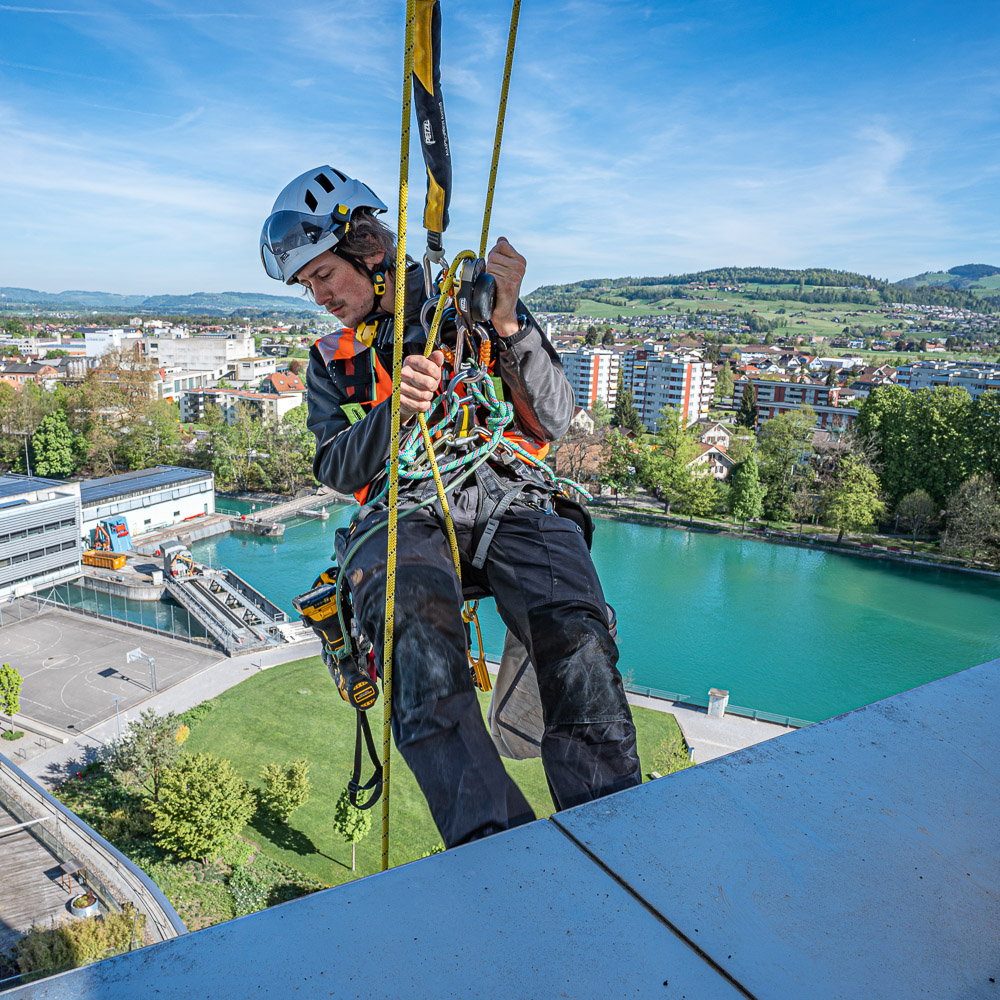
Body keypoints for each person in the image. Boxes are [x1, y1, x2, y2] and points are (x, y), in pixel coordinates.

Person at [260, 165, 641, 848]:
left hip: (511, 493)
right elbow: (333, 465)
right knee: (419, 659)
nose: (317, 297)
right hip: (404, 507)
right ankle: (500, 847)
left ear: (366, 248)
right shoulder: (332, 360)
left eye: (322, 276)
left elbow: (552, 419)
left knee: (577, 638)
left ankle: (614, 829)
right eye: (308, 285)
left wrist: (509, 323)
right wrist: (393, 415)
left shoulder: (475, 304)